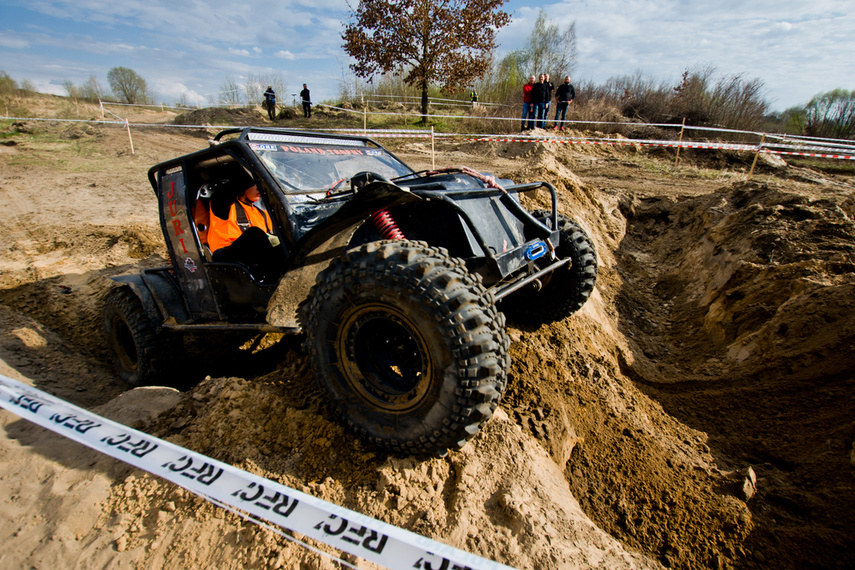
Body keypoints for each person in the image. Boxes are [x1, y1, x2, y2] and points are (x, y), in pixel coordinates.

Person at [208, 183, 285, 281]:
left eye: (259, 183)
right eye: (253, 184)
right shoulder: (223, 205)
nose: (258, 187)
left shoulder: (263, 214)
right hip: (226, 257)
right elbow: (225, 194)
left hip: (253, 257)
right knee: (255, 234)